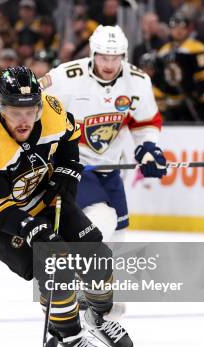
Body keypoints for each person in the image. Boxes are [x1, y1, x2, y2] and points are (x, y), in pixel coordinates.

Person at [0, 66, 132, 347]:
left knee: (96, 253)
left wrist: (67, 171)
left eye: (30, 110)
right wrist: (31, 228)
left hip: (41, 194)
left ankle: (98, 313)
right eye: (14, 111)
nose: (24, 119)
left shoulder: (51, 110)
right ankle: (70, 338)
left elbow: (69, 138)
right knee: (56, 269)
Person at [41, 25, 167, 243]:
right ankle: (73, 269)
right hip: (74, 167)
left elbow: (146, 122)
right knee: (101, 218)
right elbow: (35, 109)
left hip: (110, 167)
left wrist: (147, 149)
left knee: (117, 234)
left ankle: (101, 275)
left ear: (124, 56)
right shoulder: (66, 77)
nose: (109, 65)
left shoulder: (137, 81)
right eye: (104, 58)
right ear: (93, 53)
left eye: (115, 58)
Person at [154, 14, 204, 121]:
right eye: (174, 28)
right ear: (170, 30)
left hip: (194, 104)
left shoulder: (198, 48)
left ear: (188, 30)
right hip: (170, 105)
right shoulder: (163, 52)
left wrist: (196, 94)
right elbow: (159, 77)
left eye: (181, 28)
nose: (178, 31)